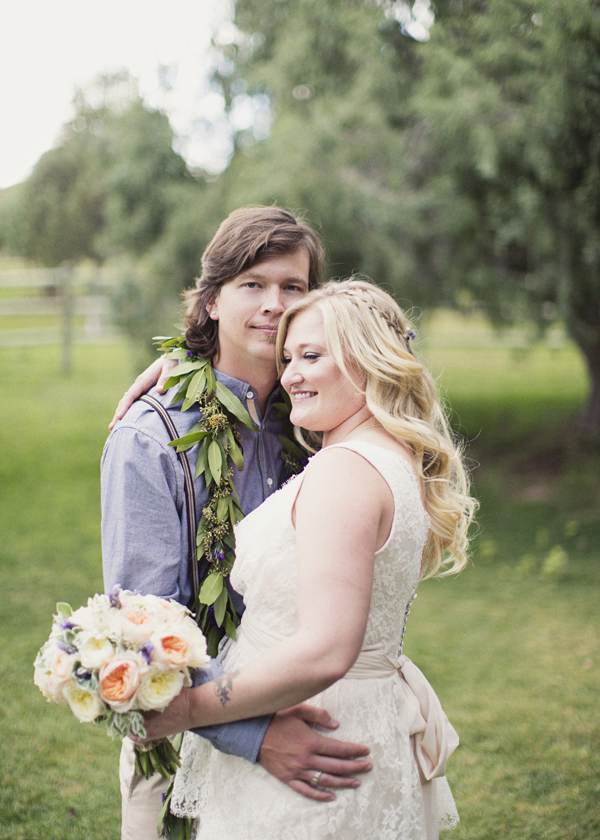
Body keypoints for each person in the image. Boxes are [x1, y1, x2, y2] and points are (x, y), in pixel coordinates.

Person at [140, 279, 478, 840]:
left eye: (312, 356)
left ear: (369, 360)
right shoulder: (387, 457)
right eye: (289, 356)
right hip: (351, 717)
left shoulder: (343, 472)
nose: (291, 375)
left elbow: (326, 647)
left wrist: (190, 709)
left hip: (309, 731)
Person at [102, 208, 373, 840]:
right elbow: (143, 629)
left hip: (313, 718)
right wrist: (257, 733)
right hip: (186, 738)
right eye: (252, 284)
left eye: (293, 287)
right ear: (211, 300)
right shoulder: (151, 438)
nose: (274, 304)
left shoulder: (317, 418)